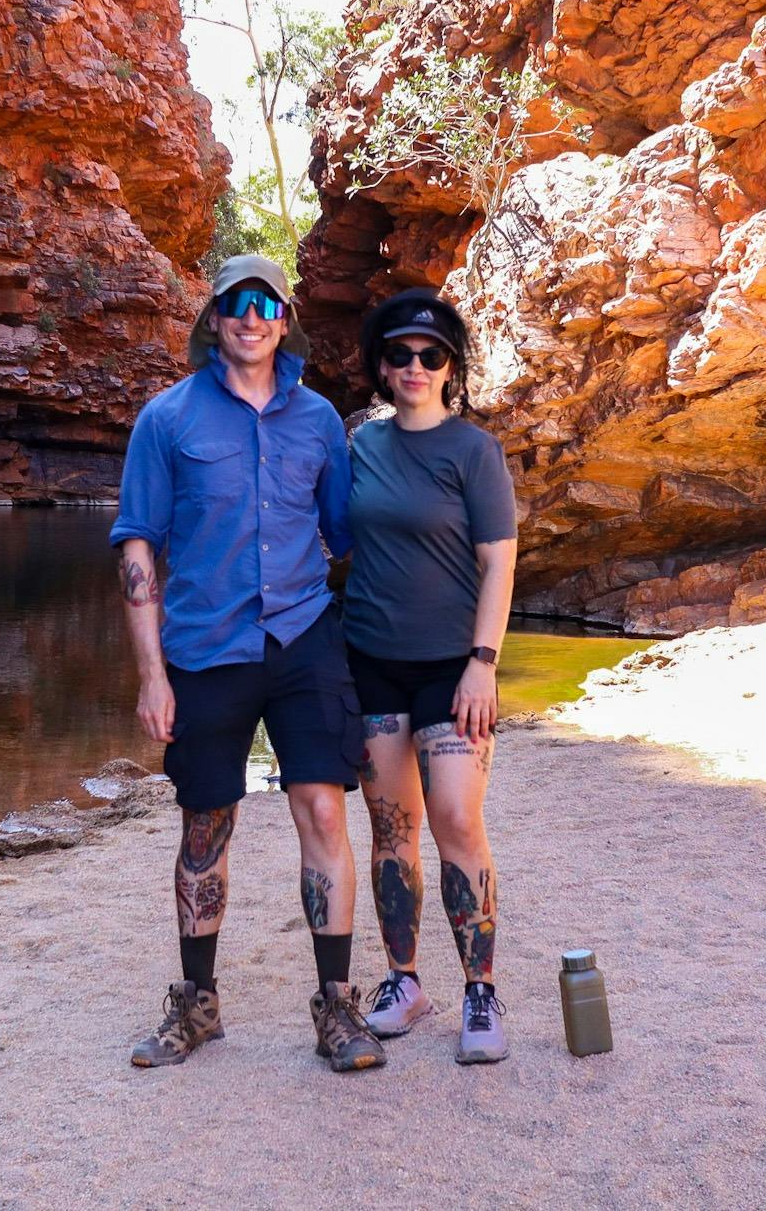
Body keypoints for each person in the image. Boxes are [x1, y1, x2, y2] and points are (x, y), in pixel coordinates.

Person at [110, 254, 384, 1073]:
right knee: (206, 823)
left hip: (303, 639)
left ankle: (338, 1008)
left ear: (285, 318)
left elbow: (346, 534)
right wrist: (152, 675)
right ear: (214, 317)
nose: (251, 315)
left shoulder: (321, 422)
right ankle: (197, 1004)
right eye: (236, 302)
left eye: (266, 302)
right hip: (203, 647)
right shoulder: (167, 419)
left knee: (325, 814)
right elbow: (137, 544)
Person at [341, 288, 518, 1065]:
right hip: (371, 661)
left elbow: (499, 563)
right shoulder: (358, 446)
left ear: (450, 367)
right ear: (382, 367)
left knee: (453, 816)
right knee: (390, 829)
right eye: (400, 355)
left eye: (431, 354)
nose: (415, 366)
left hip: (453, 667)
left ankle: (482, 991)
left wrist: (484, 663)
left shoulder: (473, 452)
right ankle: (404, 982)